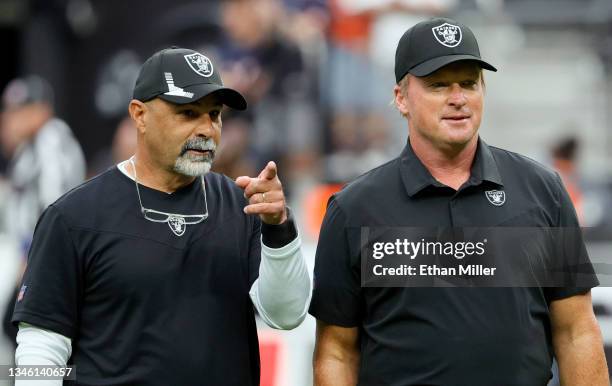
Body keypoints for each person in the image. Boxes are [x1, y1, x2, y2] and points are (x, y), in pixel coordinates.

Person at [309, 18, 607, 385]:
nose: (457, 98)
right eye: (437, 85)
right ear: (401, 98)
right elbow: (337, 351)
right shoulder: (353, 208)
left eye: (468, 83)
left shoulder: (542, 191)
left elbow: (576, 330)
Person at [12, 47, 311, 386]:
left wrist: (279, 229)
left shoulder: (243, 207)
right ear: (139, 115)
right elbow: (41, 350)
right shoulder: (73, 216)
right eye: (187, 113)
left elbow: (287, 315)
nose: (206, 129)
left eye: (214, 114)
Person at [0, 75, 86, 347]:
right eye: (11, 111)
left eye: (21, 110)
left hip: (40, 253)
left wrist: (34, 253)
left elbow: (54, 201)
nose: (13, 118)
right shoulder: (32, 146)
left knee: (26, 332)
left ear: (42, 109)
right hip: (29, 251)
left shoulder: (51, 139)